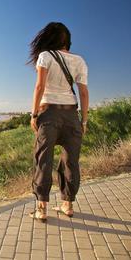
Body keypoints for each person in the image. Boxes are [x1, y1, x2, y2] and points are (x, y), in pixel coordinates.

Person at [28, 22, 89, 221]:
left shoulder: (45, 56)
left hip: (49, 114)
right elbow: (83, 92)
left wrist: (34, 114)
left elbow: (39, 87)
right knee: (71, 161)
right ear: (67, 41)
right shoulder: (79, 60)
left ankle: (41, 208)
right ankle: (67, 205)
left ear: (48, 38)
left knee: (43, 160)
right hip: (72, 114)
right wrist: (84, 120)